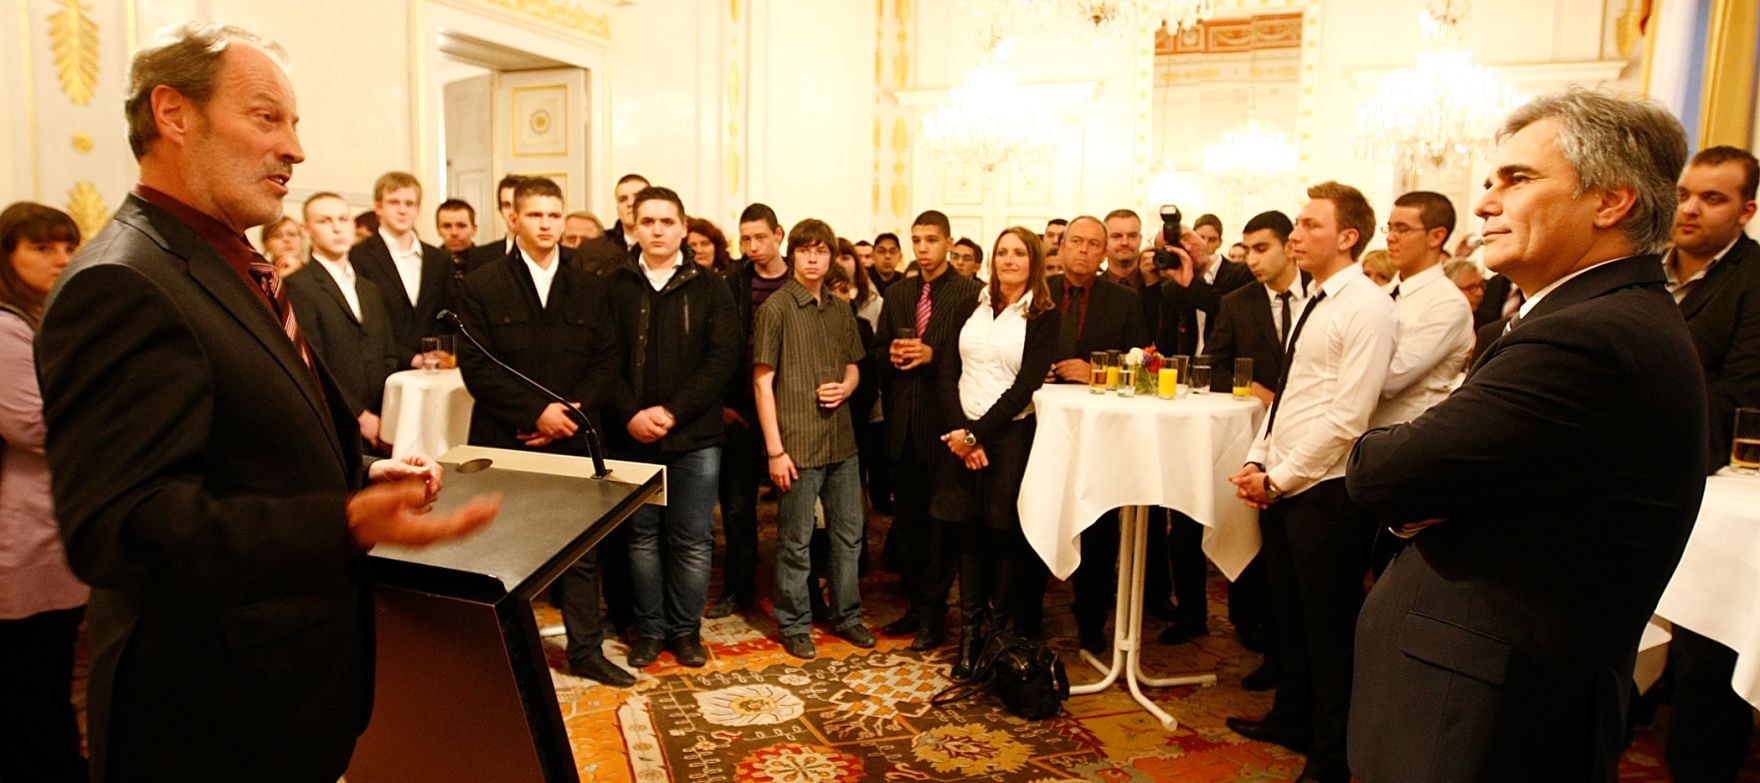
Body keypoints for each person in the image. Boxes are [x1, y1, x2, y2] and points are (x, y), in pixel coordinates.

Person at [36, 22, 497, 780]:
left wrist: (356, 477)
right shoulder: (123, 281)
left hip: (282, 691)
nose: (296, 150)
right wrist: (340, 519)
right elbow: (120, 527)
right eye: (266, 117)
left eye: (295, 123)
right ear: (173, 114)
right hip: (209, 719)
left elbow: (244, 444)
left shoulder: (223, 261)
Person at [1345, 89, 1706, 782]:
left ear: (1610, 202)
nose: (1484, 204)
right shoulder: (1596, 315)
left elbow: (1382, 472)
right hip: (1490, 690)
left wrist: (1411, 474)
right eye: (1491, 181)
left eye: (1517, 180)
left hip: (1482, 711)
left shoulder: (1588, 335)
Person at [1225, 182, 1395, 783]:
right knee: (1289, 618)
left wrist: (1282, 477)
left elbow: (1349, 417)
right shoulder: (1316, 299)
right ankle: (1291, 719)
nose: (1295, 235)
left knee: (1329, 633)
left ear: (1347, 237)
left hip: (1326, 491)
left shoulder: (1368, 306)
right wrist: (1255, 459)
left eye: (1308, 225)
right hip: (1287, 480)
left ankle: (1331, 758)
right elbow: (1290, 393)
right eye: (1295, 224)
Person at [454, 176, 630, 687]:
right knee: (505, 548)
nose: (547, 224)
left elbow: (607, 359)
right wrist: (535, 414)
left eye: (555, 214)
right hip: (506, 437)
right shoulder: (481, 285)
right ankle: (506, 656)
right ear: (514, 219)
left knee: (579, 549)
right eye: (536, 215)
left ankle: (586, 650)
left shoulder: (591, 287)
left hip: (575, 435)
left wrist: (570, 413)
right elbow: (478, 367)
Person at [603, 186, 739, 669]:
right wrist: (631, 414)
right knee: (639, 538)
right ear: (634, 228)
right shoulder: (614, 284)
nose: (657, 230)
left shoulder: (710, 286)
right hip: (631, 435)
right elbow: (604, 359)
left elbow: (721, 359)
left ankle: (684, 632)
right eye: (648, 222)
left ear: (684, 227)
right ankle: (651, 630)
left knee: (692, 538)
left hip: (695, 437)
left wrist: (673, 412)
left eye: (667, 222)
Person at [1661, 144, 1760, 782]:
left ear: (1747, 210)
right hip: (1616, 471)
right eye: (1685, 193)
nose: (1690, 209)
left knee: (1702, 645)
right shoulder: (1646, 265)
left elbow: (1741, 395)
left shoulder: (1753, 281)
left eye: (1713, 198)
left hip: (1698, 472)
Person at [934, 226, 1059, 677]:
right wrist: (959, 432)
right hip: (960, 434)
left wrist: (979, 435)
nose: (1009, 260)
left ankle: (994, 633)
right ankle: (968, 636)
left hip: (1009, 437)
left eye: (1019, 253)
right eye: (1002, 252)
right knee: (966, 532)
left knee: (1002, 534)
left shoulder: (1043, 314)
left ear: (1034, 262)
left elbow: (1026, 384)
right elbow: (947, 366)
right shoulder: (973, 302)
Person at [753, 217, 874, 660]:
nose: (812, 258)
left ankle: (846, 615)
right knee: (795, 540)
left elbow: (854, 366)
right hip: (796, 445)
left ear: (830, 257)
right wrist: (775, 451)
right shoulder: (777, 309)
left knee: (849, 536)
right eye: (805, 250)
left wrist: (847, 386)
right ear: (793, 254)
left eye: (821, 251)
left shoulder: (841, 309)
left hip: (842, 441)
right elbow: (762, 383)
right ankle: (794, 622)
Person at [1199, 210, 1307, 688]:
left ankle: (1295, 654)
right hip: (1257, 434)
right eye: (1249, 250)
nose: (1253, 260)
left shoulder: (1319, 297)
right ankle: (1260, 636)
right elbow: (1211, 367)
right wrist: (1254, 391)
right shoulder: (1238, 302)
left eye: (1263, 248)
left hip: (1311, 431)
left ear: (1289, 245)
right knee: (1258, 536)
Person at [0, 202, 87, 782]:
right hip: (21, 523)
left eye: (66, 246)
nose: (60, 259)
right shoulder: (6, 326)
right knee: (29, 682)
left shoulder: (34, 317)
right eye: (41, 248)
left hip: (46, 515)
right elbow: (31, 424)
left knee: (49, 674)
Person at [875, 210, 982, 651]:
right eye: (916, 240)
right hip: (903, 423)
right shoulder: (899, 293)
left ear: (949, 243)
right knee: (910, 525)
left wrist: (933, 355)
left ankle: (936, 614)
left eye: (931, 240)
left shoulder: (971, 293)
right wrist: (894, 354)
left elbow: (975, 359)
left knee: (944, 526)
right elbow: (877, 351)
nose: (923, 248)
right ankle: (917, 607)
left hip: (946, 424)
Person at [1044, 215, 1149, 652]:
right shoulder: (1038, 293)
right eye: (1077, 242)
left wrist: (1097, 372)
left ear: (1104, 253)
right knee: (1037, 516)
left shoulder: (1123, 302)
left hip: (1100, 433)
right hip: (1039, 428)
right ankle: (1026, 615)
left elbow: (1144, 365)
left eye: (1093, 244)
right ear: (1062, 247)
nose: (1084, 250)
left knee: (1099, 528)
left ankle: (1092, 620)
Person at [707, 203, 791, 620]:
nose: (753, 246)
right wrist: (722, 404)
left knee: (798, 505)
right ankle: (738, 589)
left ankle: (798, 591)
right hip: (741, 405)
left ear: (779, 234)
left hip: (792, 407)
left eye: (760, 237)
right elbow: (719, 347)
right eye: (745, 239)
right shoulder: (732, 282)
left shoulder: (800, 278)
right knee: (738, 505)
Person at [284, 192, 400, 451]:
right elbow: (311, 363)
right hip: (335, 422)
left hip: (382, 419)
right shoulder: (298, 287)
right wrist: (359, 415)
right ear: (306, 229)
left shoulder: (370, 288)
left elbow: (388, 353)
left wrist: (387, 413)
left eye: (343, 219)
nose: (337, 228)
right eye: (324, 221)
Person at [1371, 191, 1473, 428]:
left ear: (1436, 236)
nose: (1391, 238)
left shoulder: (1447, 303)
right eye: (1389, 229)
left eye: (1402, 229)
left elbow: (1388, 380)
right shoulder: (1381, 293)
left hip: (1403, 437)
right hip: (1359, 437)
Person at [350, 171, 455, 366]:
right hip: (383, 368)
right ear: (378, 207)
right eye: (394, 202)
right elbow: (362, 323)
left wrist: (439, 353)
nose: (402, 210)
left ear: (418, 209)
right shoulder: (358, 256)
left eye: (409, 204)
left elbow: (448, 313)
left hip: (435, 367)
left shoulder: (439, 259)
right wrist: (410, 358)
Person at [1101, 209, 1144, 288]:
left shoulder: (1162, 288)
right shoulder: (1090, 290)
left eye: (1132, 236)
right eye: (1116, 236)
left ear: (1140, 240)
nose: (1125, 242)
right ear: (1104, 241)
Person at [435, 198, 478, 273]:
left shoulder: (488, 263)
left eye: (461, 226)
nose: (454, 233)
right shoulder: (428, 264)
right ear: (438, 230)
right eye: (447, 226)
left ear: (474, 229)